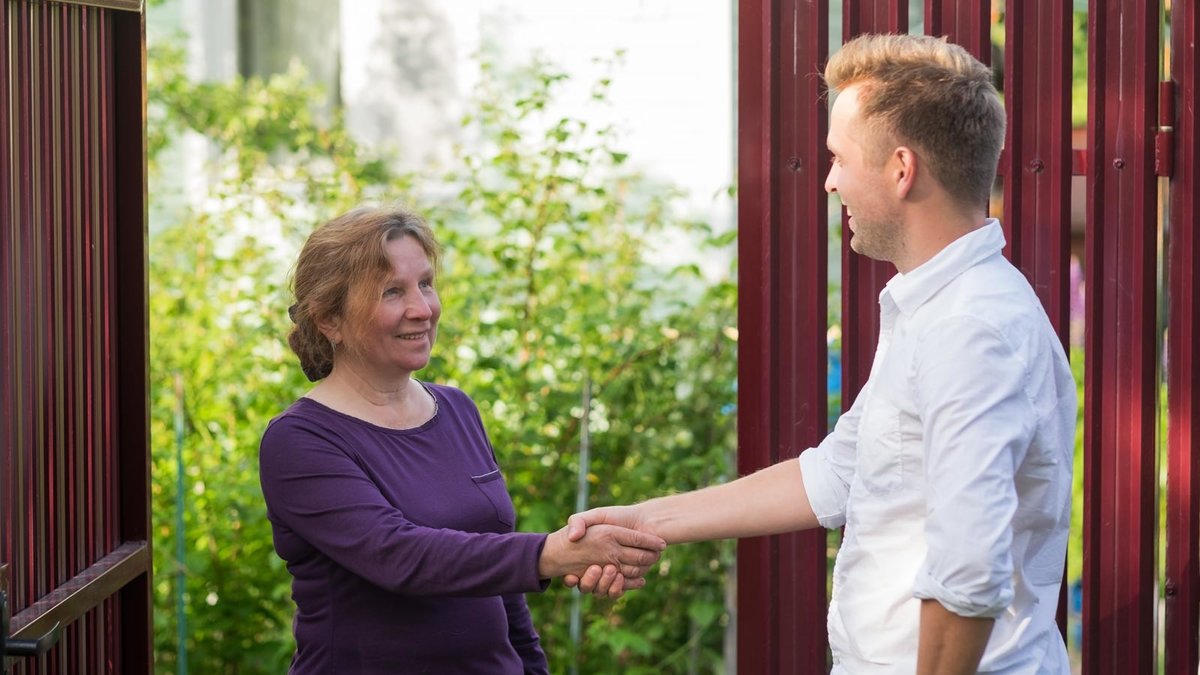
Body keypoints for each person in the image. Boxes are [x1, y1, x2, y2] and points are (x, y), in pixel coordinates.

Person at [567, 33, 1076, 675]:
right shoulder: (936, 308)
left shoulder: (969, 329)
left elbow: (968, 578)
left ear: (900, 168)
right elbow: (838, 473)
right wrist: (641, 522)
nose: (829, 181)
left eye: (838, 158)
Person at [258, 205, 666, 674]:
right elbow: (400, 556)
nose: (423, 308)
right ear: (330, 319)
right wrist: (549, 554)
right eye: (393, 291)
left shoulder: (455, 410)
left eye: (425, 284)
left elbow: (499, 580)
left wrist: (532, 668)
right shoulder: (300, 440)